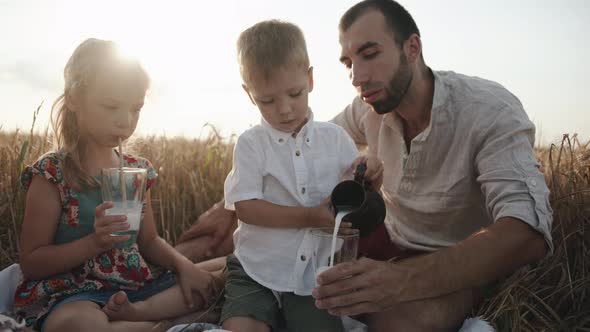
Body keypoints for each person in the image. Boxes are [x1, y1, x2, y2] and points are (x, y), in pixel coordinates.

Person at [178, 1, 554, 331]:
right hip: (376, 238)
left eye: (370, 54)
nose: (357, 77)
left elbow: (527, 233)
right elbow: (297, 153)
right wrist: (226, 209)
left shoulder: (489, 110)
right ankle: (184, 276)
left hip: (448, 259)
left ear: (412, 48)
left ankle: (229, 292)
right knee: (222, 246)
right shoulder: (368, 107)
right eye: (348, 63)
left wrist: (401, 280)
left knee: (399, 322)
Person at [13, 38, 223, 332]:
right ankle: (168, 322)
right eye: (111, 106)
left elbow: (149, 241)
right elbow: (32, 262)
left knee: (231, 269)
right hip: (77, 294)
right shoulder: (52, 173)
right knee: (78, 325)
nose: (125, 121)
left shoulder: (136, 170)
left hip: (137, 286)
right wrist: (94, 243)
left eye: (135, 109)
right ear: (74, 99)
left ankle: (142, 319)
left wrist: (184, 267)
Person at [219, 20, 383, 332]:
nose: (284, 109)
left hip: (315, 275)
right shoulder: (252, 144)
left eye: (294, 93)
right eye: (267, 100)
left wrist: (371, 176)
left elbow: (360, 200)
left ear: (309, 79)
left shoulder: (334, 140)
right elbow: (246, 208)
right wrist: (309, 216)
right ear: (248, 93)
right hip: (256, 270)